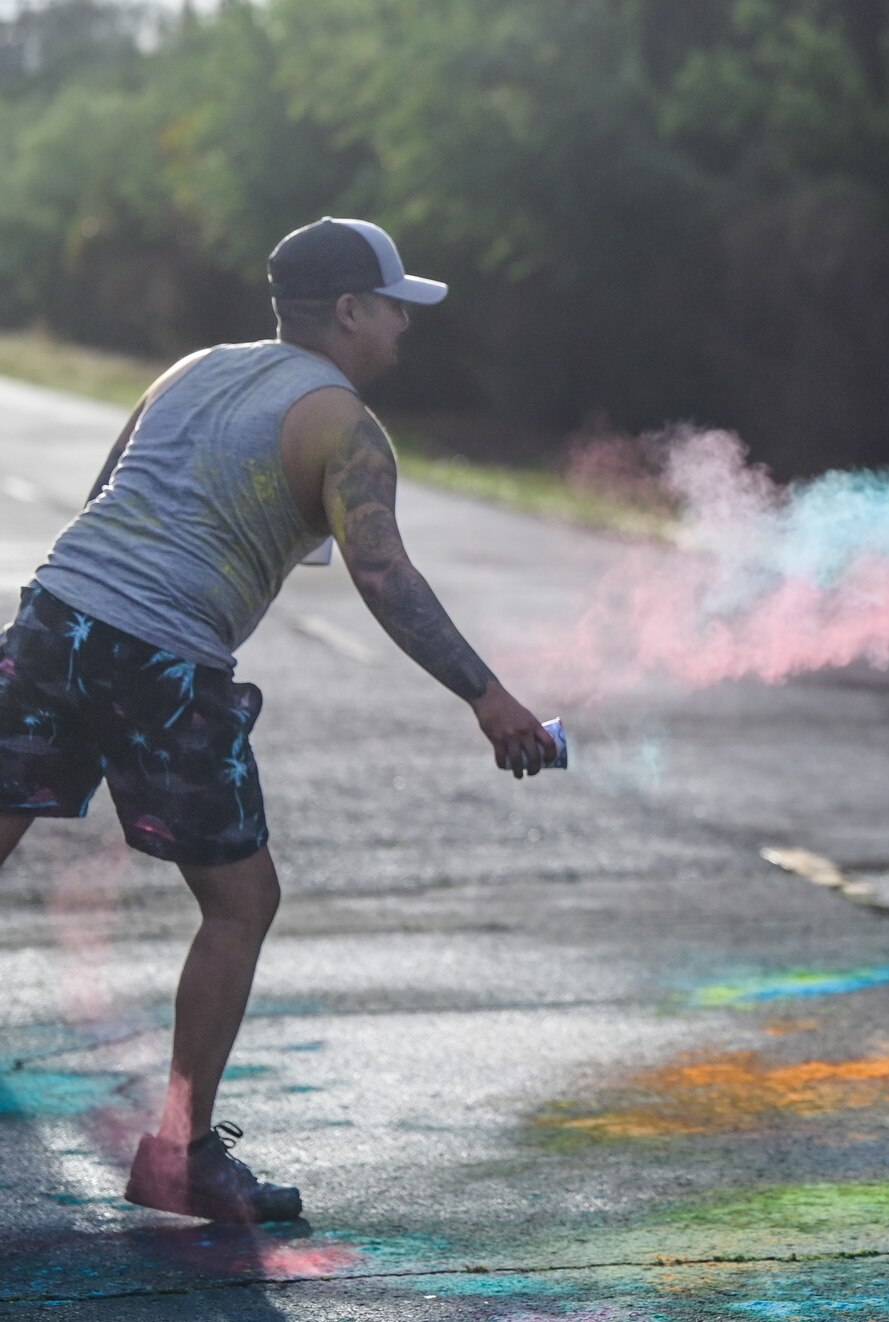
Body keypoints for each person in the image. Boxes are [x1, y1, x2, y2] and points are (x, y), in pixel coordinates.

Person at [0, 217, 558, 1222]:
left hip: (54, 615)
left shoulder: (194, 366)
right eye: (393, 306)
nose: (401, 326)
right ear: (349, 310)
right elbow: (381, 572)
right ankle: (178, 1152)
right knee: (240, 901)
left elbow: (105, 497)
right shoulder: (345, 425)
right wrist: (489, 695)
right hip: (157, 655)